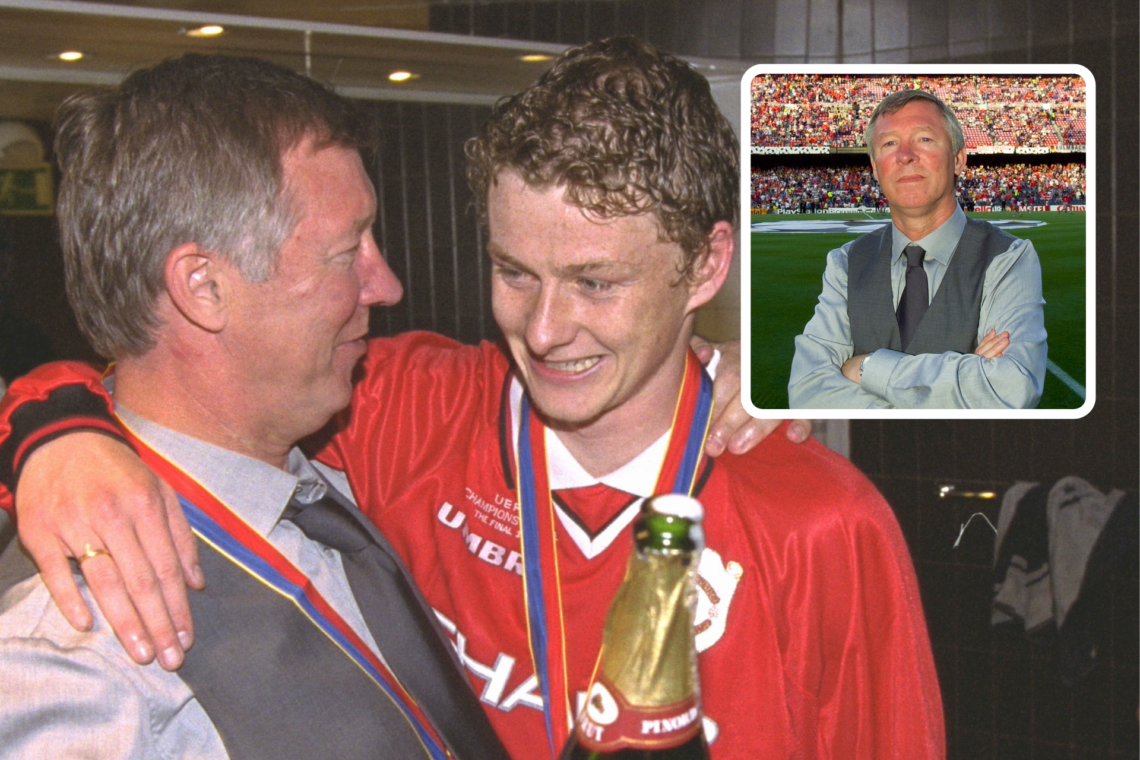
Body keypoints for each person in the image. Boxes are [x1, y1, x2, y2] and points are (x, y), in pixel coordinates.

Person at [1, 40, 942, 759]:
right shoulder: (399, 404)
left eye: (597, 282)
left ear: (705, 264)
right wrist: (58, 425)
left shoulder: (820, 521)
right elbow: (188, 391)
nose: (544, 330)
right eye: (512, 272)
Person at [0, 53, 509, 760]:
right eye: (345, 251)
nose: (385, 282)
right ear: (202, 287)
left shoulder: (334, 472)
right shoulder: (73, 648)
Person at [787, 90, 1047, 409]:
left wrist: (864, 367)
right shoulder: (845, 263)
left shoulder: (1009, 257)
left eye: (924, 139)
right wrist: (964, 383)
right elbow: (806, 389)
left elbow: (1011, 387)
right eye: (889, 143)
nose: (905, 155)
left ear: (958, 159)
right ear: (874, 167)